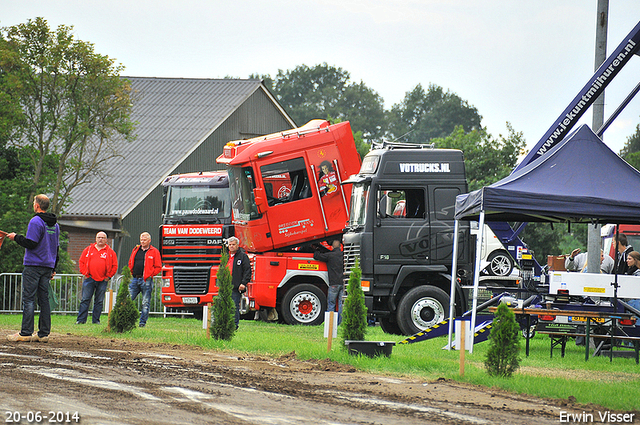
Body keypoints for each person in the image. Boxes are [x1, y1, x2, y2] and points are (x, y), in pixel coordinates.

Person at [6, 194, 60, 343]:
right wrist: (53, 267)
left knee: (29, 299)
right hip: (47, 265)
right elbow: (57, 248)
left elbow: (31, 243)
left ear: (37, 205)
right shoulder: (55, 225)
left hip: (34, 265)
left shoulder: (36, 221)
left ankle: (26, 333)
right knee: (44, 300)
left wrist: (15, 237)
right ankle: (43, 334)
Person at [76, 232, 118, 324]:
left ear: (106, 240)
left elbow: (115, 265)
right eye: (99, 237)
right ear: (96, 239)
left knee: (99, 301)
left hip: (103, 280)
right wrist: (85, 273)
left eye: (103, 238)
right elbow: (81, 262)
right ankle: (81, 320)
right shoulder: (88, 250)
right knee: (85, 300)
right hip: (89, 279)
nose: (101, 239)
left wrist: (109, 276)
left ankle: (96, 321)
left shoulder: (110, 252)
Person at [128, 232, 162, 327]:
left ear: (149, 241)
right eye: (141, 240)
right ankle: (127, 318)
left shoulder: (154, 251)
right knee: (128, 299)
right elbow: (130, 262)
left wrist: (150, 275)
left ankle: (142, 322)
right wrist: (131, 272)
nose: (142, 241)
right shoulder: (135, 250)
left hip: (146, 280)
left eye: (144, 240)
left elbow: (158, 267)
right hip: (135, 278)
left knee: (145, 302)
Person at [313, 239, 344, 324]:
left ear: (332, 246)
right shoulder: (343, 255)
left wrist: (317, 249)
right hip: (343, 283)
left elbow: (316, 256)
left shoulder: (330, 255)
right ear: (340, 246)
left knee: (331, 304)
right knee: (341, 304)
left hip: (333, 284)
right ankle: (340, 323)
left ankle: (331, 324)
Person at [226, 236, 251, 329]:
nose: (231, 246)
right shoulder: (226, 256)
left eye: (233, 244)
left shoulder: (243, 256)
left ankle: (234, 325)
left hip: (236, 287)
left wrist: (243, 283)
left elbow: (247, 271)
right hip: (225, 285)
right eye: (230, 245)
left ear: (237, 245)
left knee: (234, 306)